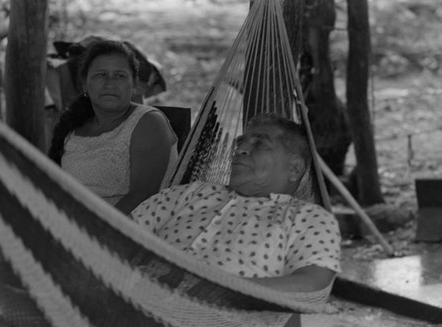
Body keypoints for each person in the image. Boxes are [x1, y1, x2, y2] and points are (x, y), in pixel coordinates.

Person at [131, 113, 341, 297]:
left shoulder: (307, 218)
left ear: (294, 169)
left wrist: (226, 291)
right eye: (241, 143)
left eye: (259, 144)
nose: (241, 150)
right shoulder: (191, 193)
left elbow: (313, 283)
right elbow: (119, 231)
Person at [48, 39, 178, 215]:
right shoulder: (74, 129)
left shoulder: (147, 122)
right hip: (69, 224)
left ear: (134, 86)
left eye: (120, 76)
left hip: (118, 231)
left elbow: (142, 197)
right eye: (101, 75)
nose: (109, 83)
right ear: (85, 84)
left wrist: (91, 232)